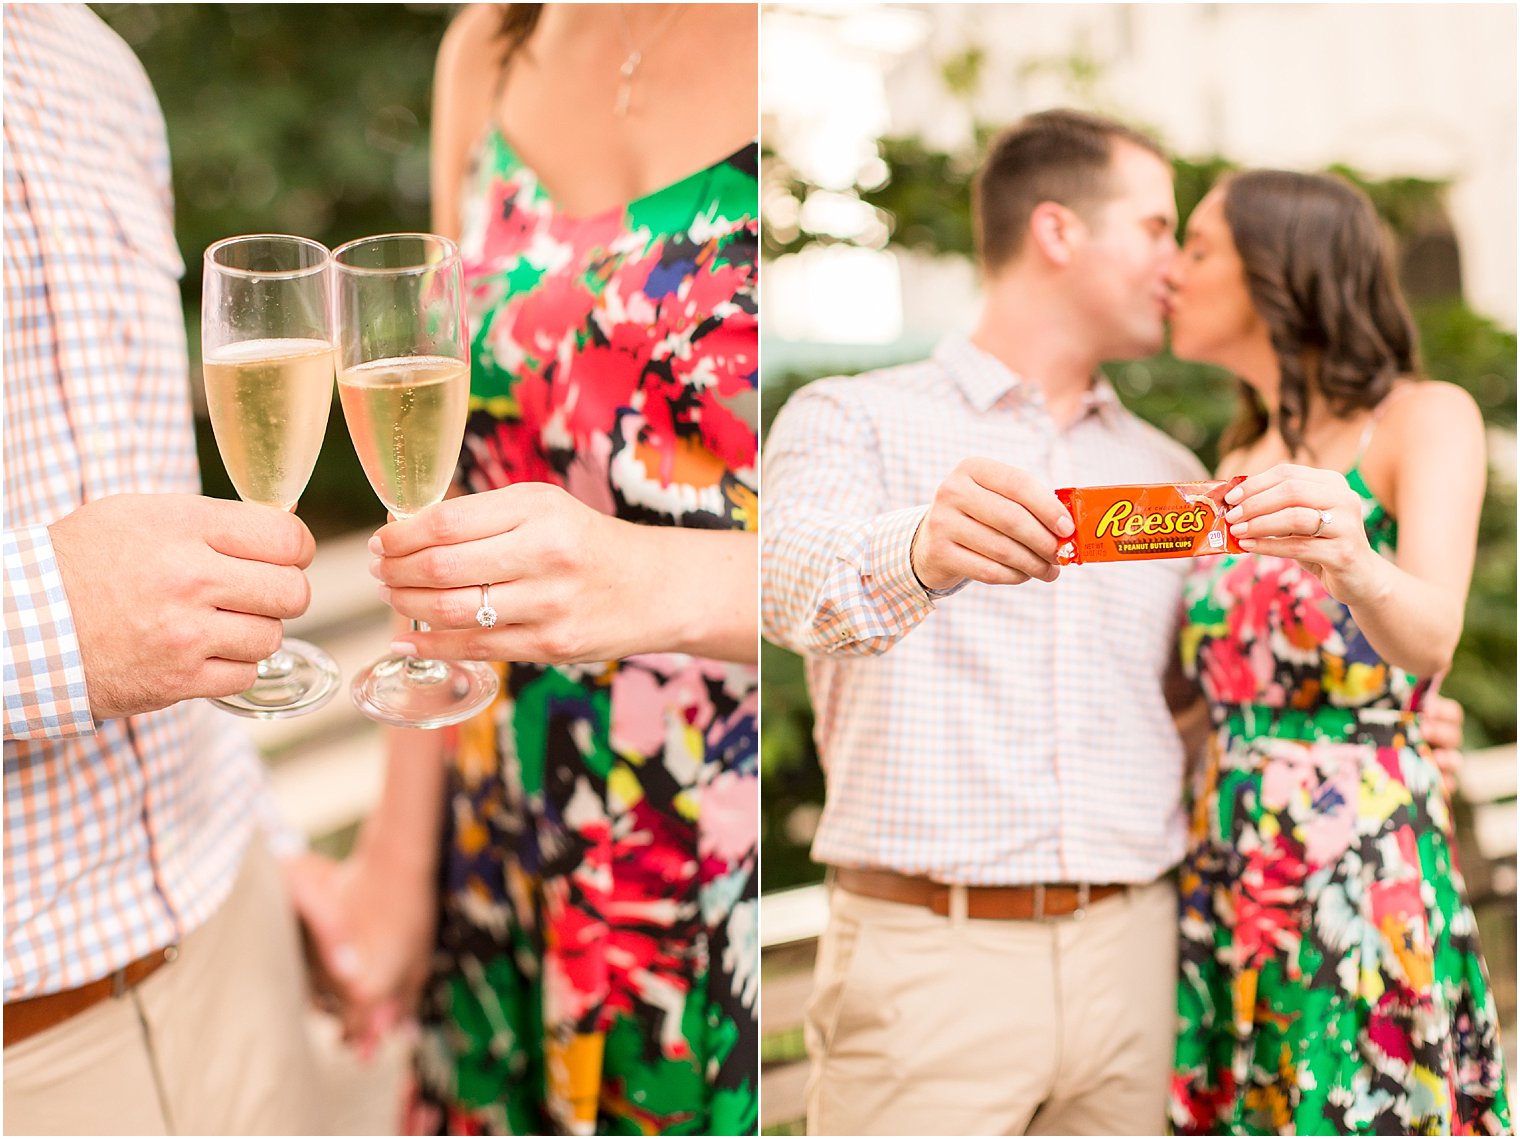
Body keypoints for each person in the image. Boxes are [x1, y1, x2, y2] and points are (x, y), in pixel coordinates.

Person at [759, 108, 1470, 1137]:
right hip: (930, 964)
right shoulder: (851, 416)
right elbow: (784, 586)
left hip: (1150, 954)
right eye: (1155, 230)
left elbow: (1183, 706)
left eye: (1189, 241)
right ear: (1057, 231)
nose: (1172, 267)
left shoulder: (1174, 472)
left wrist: (1370, 741)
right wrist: (920, 547)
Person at [288, 4, 760, 1135]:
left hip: (715, 836)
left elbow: (867, 562)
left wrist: (647, 581)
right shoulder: (490, 45)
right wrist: (396, 868)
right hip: (504, 823)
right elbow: (441, 494)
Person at [2, 5, 326, 1134]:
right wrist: (48, 619)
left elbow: (159, 524)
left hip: (231, 943)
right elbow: (97, 602)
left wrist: (274, 847)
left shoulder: (95, 62)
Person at [1164, 170, 1510, 1134]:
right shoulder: (1230, 456)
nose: (1174, 272)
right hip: (1229, 855)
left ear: (1281, 270)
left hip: (1356, 852)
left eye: (1199, 248)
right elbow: (1200, 691)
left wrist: (1353, 558)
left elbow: (1431, 631)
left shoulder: (1419, 418)